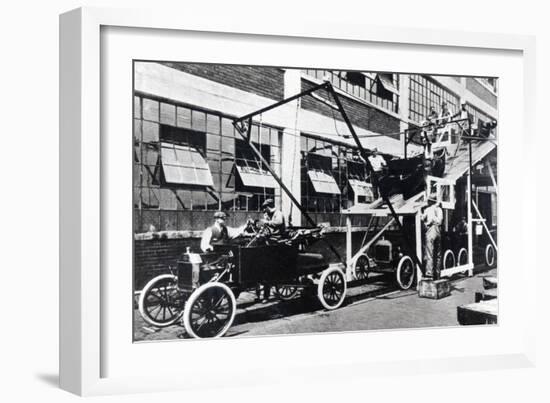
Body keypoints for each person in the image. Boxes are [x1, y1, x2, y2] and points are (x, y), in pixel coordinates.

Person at [254, 198, 286, 303]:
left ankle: (266, 296)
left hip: (278, 241)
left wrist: (266, 221)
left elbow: (278, 222)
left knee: (268, 269)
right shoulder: (268, 215)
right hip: (270, 240)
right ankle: (259, 293)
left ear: (268, 207)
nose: (264, 211)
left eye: (265, 209)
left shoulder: (278, 214)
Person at [421, 199, 444, 279]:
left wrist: (426, 223)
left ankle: (429, 273)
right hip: (438, 230)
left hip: (431, 230)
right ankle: (438, 274)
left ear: (430, 202)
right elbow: (440, 221)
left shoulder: (428, 209)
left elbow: (422, 218)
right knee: (438, 254)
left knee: (429, 253)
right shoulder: (440, 209)